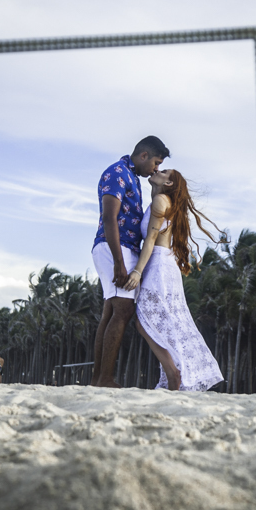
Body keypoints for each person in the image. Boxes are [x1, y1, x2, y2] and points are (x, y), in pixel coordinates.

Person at [123, 168, 224, 391]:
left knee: (145, 321)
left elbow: (150, 239)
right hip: (163, 264)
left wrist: (137, 272)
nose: (158, 170)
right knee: (160, 322)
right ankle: (174, 373)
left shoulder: (161, 200)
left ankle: (173, 373)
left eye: (164, 171)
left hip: (158, 265)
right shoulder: (161, 201)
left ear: (168, 183)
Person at [90, 136, 170, 388]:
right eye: (156, 162)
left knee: (112, 311)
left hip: (121, 248)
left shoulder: (132, 177)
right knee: (122, 311)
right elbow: (109, 218)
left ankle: (98, 378)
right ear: (144, 155)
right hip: (114, 247)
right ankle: (104, 378)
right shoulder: (117, 173)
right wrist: (118, 262)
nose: (156, 168)